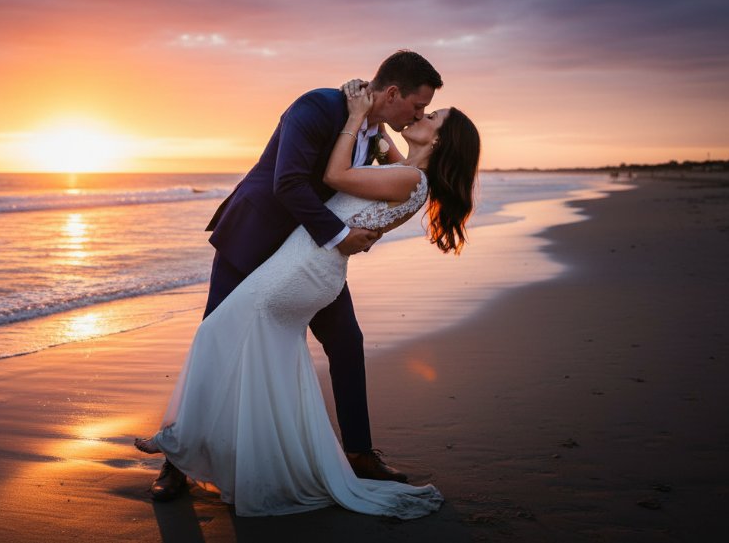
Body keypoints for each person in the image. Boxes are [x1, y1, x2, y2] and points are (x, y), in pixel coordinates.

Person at [134, 63, 482, 517]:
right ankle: (177, 463)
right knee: (218, 333)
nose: (420, 114)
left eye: (428, 113)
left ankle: (358, 453)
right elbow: (288, 183)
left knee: (345, 341)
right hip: (257, 238)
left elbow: (397, 176)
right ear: (394, 93)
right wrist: (342, 235)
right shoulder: (317, 107)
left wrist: (371, 133)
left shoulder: (374, 132)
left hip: (308, 255)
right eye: (419, 106)